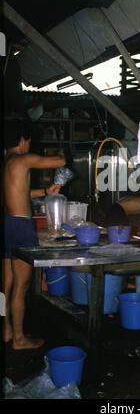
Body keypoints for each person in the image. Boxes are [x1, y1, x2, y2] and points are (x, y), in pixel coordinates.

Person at [2, 120, 66, 349]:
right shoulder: (23, 158)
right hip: (20, 228)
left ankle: (6, 329)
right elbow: (60, 162)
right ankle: (20, 339)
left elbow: (19, 191)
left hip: (6, 224)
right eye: (29, 141)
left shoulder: (6, 162)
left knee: (5, 286)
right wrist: (61, 151)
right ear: (22, 140)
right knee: (22, 285)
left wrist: (47, 191)